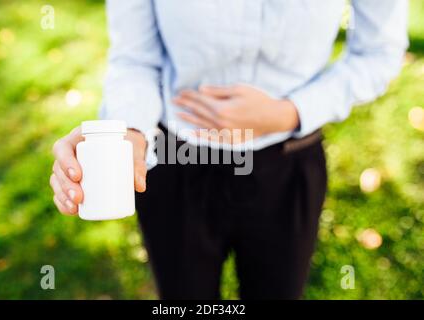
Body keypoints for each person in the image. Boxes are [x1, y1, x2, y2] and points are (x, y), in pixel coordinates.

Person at [50, 0, 408, 299]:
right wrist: (127, 130)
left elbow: (378, 52)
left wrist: (289, 112)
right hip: (177, 161)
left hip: (287, 163)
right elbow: (135, 57)